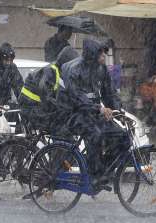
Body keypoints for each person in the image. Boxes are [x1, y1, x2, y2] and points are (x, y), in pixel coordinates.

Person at [57, 39, 123, 185]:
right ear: (92, 56)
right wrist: (99, 109)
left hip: (91, 112)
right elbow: (77, 98)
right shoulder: (74, 70)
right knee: (95, 134)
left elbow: (109, 92)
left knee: (122, 136)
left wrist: (119, 110)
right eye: (100, 54)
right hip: (71, 113)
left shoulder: (101, 68)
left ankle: (104, 170)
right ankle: (93, 174)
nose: (103, 57)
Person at [18, 46, 79, 135]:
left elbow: (64, 94)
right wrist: (63, 107)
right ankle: (58, 148)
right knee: (60, 128)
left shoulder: (59, 72)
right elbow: (46, 97)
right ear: (66, 62)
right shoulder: (50, 71)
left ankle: (60, 146)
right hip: (31, 108)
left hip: (37, 108)